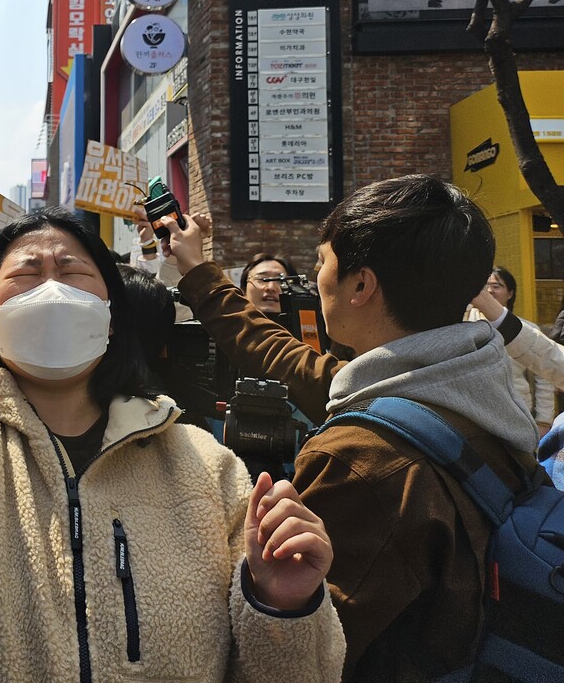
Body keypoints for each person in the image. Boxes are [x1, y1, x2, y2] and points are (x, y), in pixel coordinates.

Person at [0, 0, 345, 683]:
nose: (53, 285)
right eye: (28, 272)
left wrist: (286, 608)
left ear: (112, 310)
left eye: (74, 271)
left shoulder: (208, 472)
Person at [161, 177, 542, 682]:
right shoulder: (468, 386)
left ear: (361, 286)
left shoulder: (361, 459)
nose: (314, 278)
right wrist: (196, 268)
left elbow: (299, 653)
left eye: (322, 263)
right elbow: (285, 356)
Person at [467, 266, 556, 435]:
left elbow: (544, 377)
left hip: (518, 416)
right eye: (486, 285)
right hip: (475, 420)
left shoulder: (526, 330)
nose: (490, 290)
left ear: (510, 293)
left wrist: (544, 421)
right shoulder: (464, 328)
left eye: (496, 286)